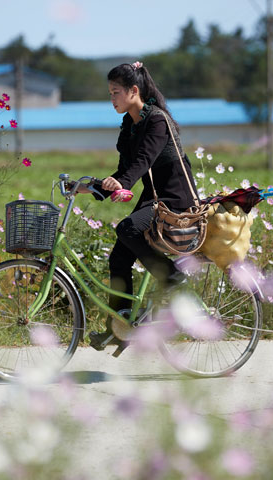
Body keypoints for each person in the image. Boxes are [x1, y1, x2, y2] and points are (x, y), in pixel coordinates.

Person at [82, 61, 199, 350]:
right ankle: (119, 328)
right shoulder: (129, 126)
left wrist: (124, 183)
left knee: (128, 229)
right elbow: (123, 170)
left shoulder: (157, 120)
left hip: (176, 198)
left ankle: (173, 278)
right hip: (154, 197)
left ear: (134, 91)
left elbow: (142, 162)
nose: (112, 99)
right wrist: (88, 187)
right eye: (109, 93)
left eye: (116, 92)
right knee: (118, 258)